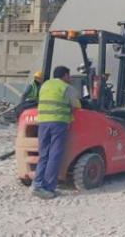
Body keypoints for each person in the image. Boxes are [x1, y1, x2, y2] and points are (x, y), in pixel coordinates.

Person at [32, 65, 81, 199]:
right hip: (58, 123)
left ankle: (37, 184)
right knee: (55, 154)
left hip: (43, 122)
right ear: (65, 75)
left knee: (44, 154)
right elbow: (77, 104)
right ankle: (48, 187)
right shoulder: (66, 87)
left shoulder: (45, 85)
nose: (70, 78)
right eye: (69, 75)